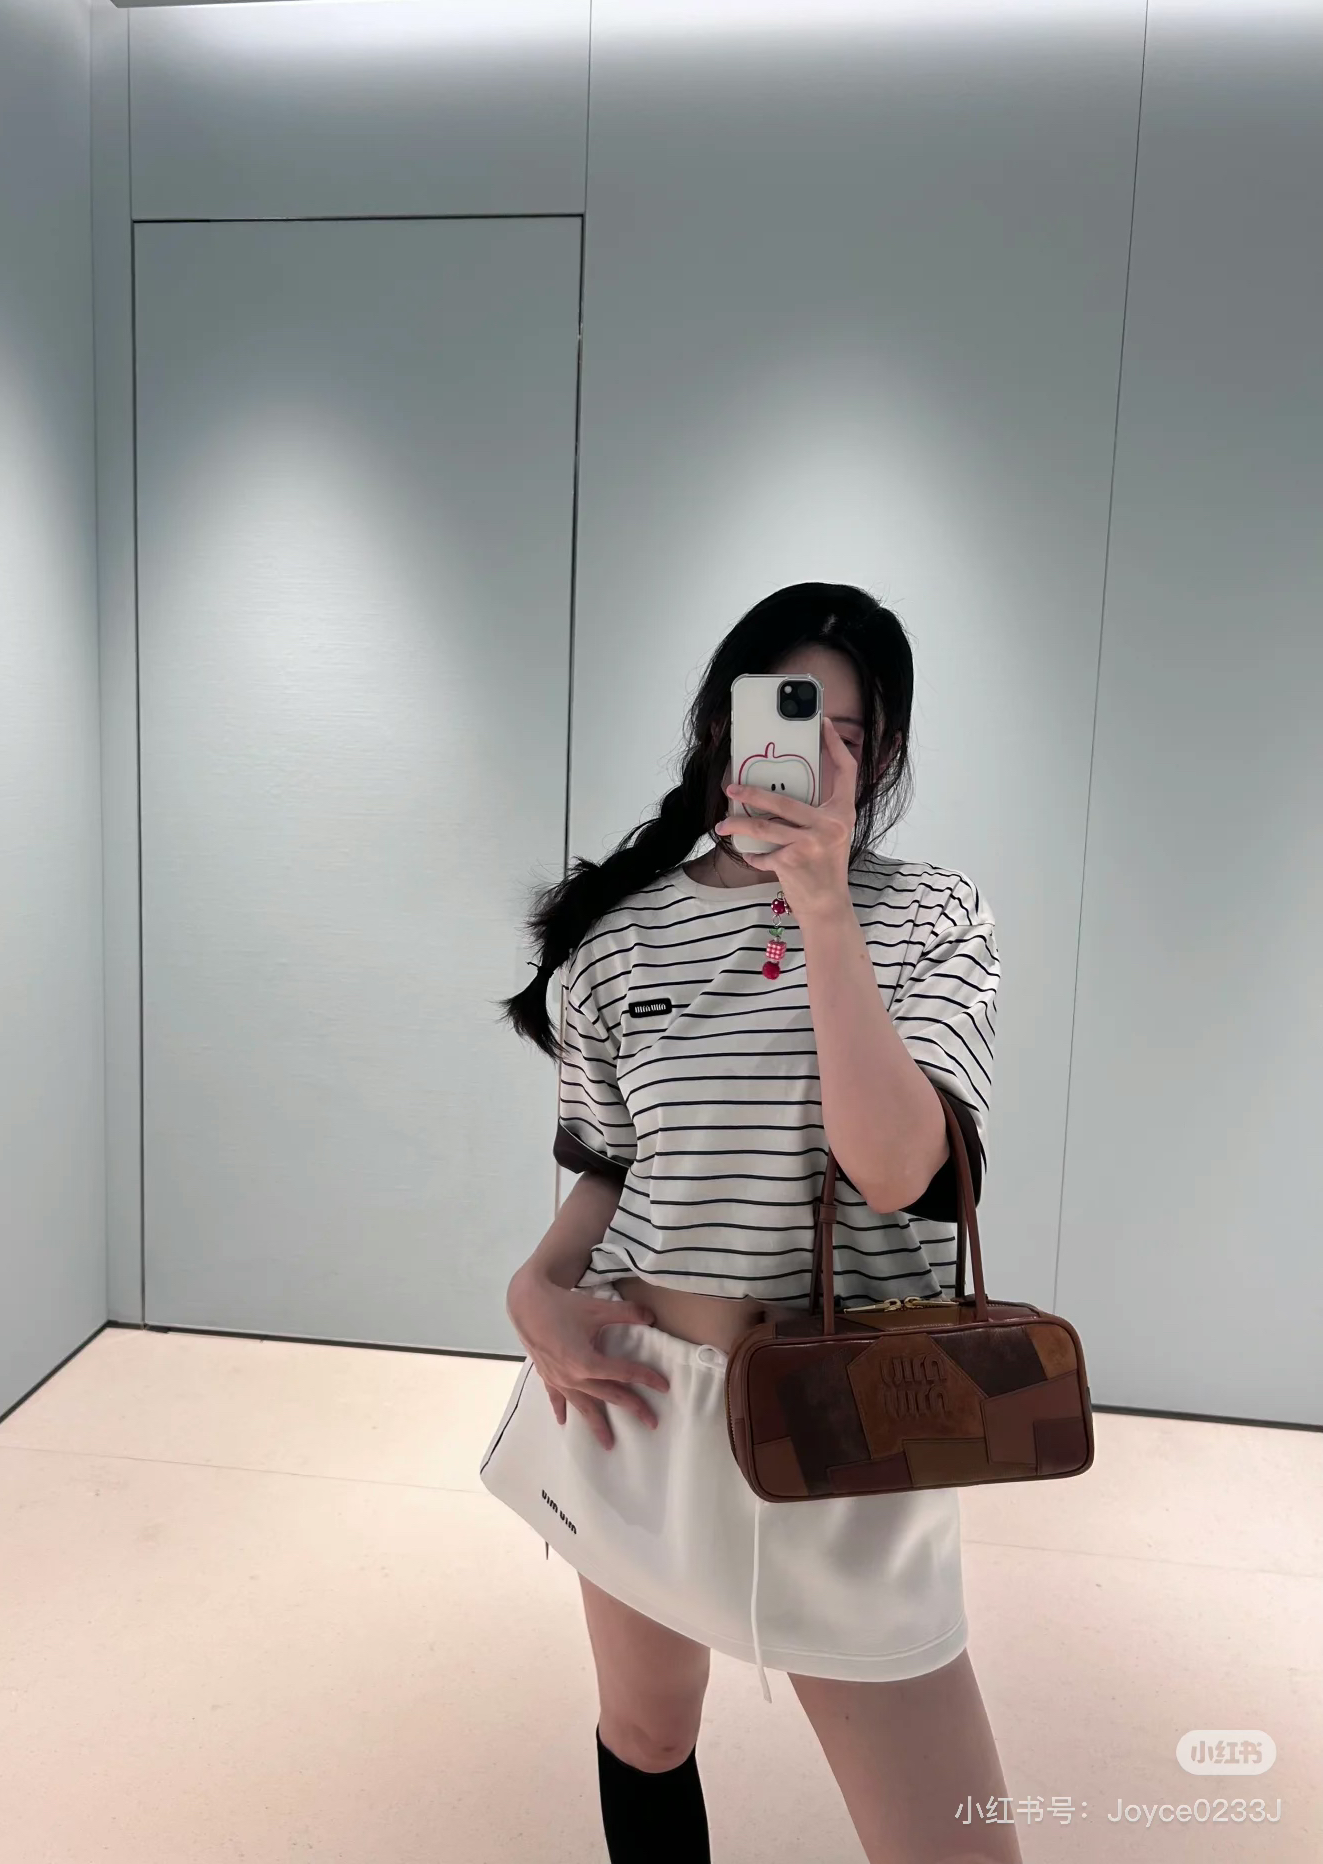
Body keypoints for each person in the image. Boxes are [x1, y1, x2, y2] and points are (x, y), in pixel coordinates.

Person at [486, 581, 1019, 1864]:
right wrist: (535, 1286)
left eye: (850, 730)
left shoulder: (931, 914)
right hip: (638, 1400)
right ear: (724, 728)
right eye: (789, 714)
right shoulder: (622, 939)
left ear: (882, 755)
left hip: (849, 1414)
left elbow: (898, 1171)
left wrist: (824, 908)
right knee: (646, 1733)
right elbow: (612, 1169)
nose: (815, 750)